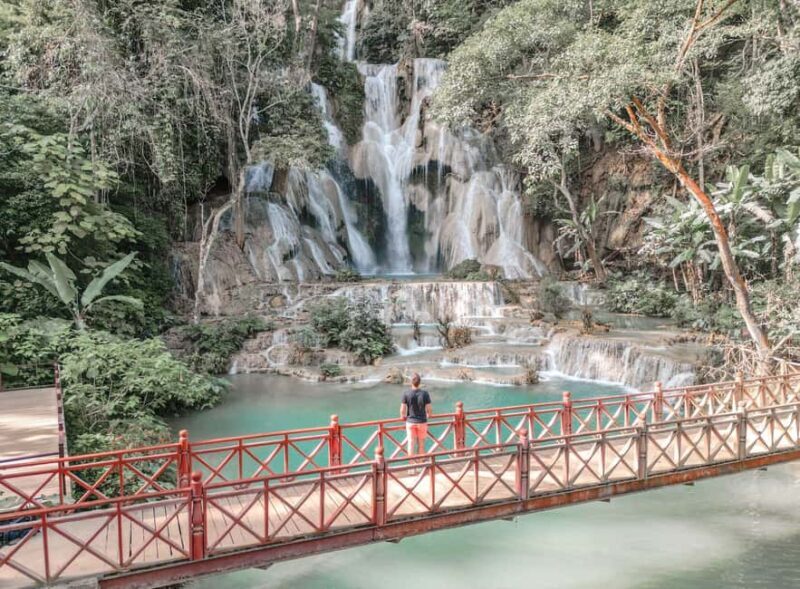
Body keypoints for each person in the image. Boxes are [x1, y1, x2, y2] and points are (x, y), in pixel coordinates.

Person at [400, 373, 432, 456]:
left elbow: (402, 410)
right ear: (419, 382)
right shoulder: (425, 394)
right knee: (421, 444)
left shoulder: (406, 393)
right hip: (422, 422)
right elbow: (429, 409)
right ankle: (421, 461)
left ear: (411, 382)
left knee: (411, 443)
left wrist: (403, 416)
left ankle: (411, 463)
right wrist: (429, 415)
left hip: (410, 422)